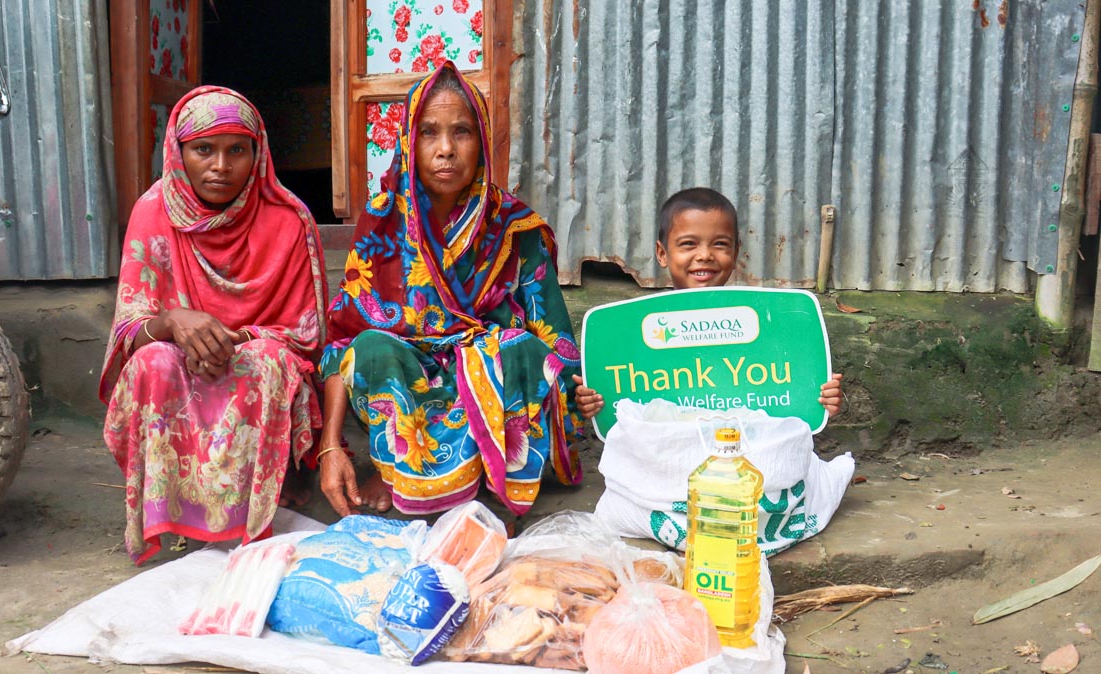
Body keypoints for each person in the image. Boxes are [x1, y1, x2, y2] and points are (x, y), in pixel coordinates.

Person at [318, 62, 584, 518]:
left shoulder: (515, 227)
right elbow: (342, 341)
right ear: (408, 140)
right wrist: (329, 447)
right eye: (429, 133)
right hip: (409, 382)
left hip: (492, 384)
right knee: (371, 348)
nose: (446, 150)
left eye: (461, 132)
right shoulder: (383, 220)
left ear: (482, 141)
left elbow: (554, 341)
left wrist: (576, 396)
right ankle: (401, 469)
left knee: (517, 348)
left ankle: (487, 475)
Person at [99, 86, 328, 565]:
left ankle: (261, 499)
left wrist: (230, 340)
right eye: (204, 149)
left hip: (254, 355)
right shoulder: (153, 211)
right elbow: (128, 332)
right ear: (178, 152)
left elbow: (306, 334)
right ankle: (171, 509)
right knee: (152, 362)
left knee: (269, 361)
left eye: (237, 151)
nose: (221, 166)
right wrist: (171, 322)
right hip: (180, 357)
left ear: (257, 154)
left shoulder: (288, 219)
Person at [573, 187, 844, 418]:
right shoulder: (639, 330)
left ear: (736, 252)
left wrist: (820, 397)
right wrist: (592, 400)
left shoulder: (765, 324)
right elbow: (624, 396)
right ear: (662, 253)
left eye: (720, 244)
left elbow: (787, 386)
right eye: (689, 244)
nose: (704, 255)